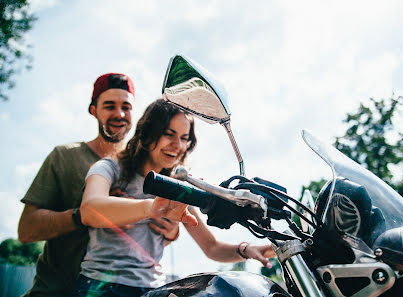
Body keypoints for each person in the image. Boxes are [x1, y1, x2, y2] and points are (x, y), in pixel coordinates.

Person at [71, 99, 274, 297]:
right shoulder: (109, 168)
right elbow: (89, 210)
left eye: (185, 138)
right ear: (147, 133)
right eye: (169, 134)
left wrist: (247, 249)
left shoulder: (177, 187)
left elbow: (211, 247)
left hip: (153, 288)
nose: (177, 145)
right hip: (100, 286)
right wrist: (151, 208)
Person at [17, 73, 176, 297]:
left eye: (126, 107)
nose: (119, 114)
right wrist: (91, 213)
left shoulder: (147, 171)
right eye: (109, 106)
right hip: (54, 291)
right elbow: (27, 230)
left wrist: (169, 232)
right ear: (94, 110)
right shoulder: (64, 157)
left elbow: (136, 244)